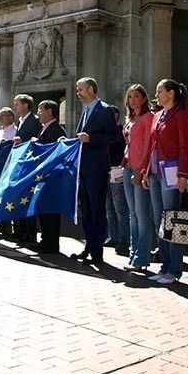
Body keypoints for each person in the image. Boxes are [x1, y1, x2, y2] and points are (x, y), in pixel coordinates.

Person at [142, 79, 188, 284]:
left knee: (172, 220)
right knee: (159, 220)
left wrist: (183, 175)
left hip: (171, 173)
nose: (157, 94)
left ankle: (174, 269)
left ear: (171, 94)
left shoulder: (180, 115)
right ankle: (164, 266)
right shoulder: (157, 116)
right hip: (155, 172)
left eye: (160, 91)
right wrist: (146, 171)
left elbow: (184, 147)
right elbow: (152, 145)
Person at [69, 77, 121, 265]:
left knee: (97, 210)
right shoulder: (85, 110)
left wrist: (91, 138)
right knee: (86, 212)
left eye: (80, 89)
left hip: (96, 168)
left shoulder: (104, 109)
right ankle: (89, 246)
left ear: (90, 89)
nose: (78, 92)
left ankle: (97, 252)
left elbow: (114, 136)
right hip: (83, 169)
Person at [121, 84, 154, 272]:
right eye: (130, 97)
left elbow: (149, 146)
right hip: (126, 168)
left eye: (136, 96)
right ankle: (133, 255)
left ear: (144, 98)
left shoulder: (148, 118)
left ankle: (142, 257)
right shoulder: (130, 119)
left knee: (142, 215)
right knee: (132, 214)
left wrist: (140, 170)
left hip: (138, 170)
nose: (133, 100)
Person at [34, 100, 67, 254]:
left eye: (40, 110)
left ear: (49, 111)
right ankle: (45, 240)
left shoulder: (57, 130)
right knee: (43, 210)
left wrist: (38, 144)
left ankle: (52, 244)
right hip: (42, 178)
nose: (38, 113)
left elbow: (53, 153)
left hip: (51, 178)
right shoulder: (43, 129)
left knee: (51, 212)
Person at [12, 94, 42, 242]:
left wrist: (22, 140)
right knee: (20, 199)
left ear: (25, 105)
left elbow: (37, 141)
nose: (14, 107)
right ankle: (21, 229)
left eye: (16, 104)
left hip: (31, 167)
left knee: (29, 200)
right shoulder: (20, 121)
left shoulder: (35, 121)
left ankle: (31, 232)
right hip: (21, 166)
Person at [105, 105, 129, 256]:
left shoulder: (121, 131)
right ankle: (112, 236)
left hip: (117, 170)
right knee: (109, 207)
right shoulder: (104, 133)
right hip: (105, 171)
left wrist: (120, 166)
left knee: (120, 207)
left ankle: (124, 239)